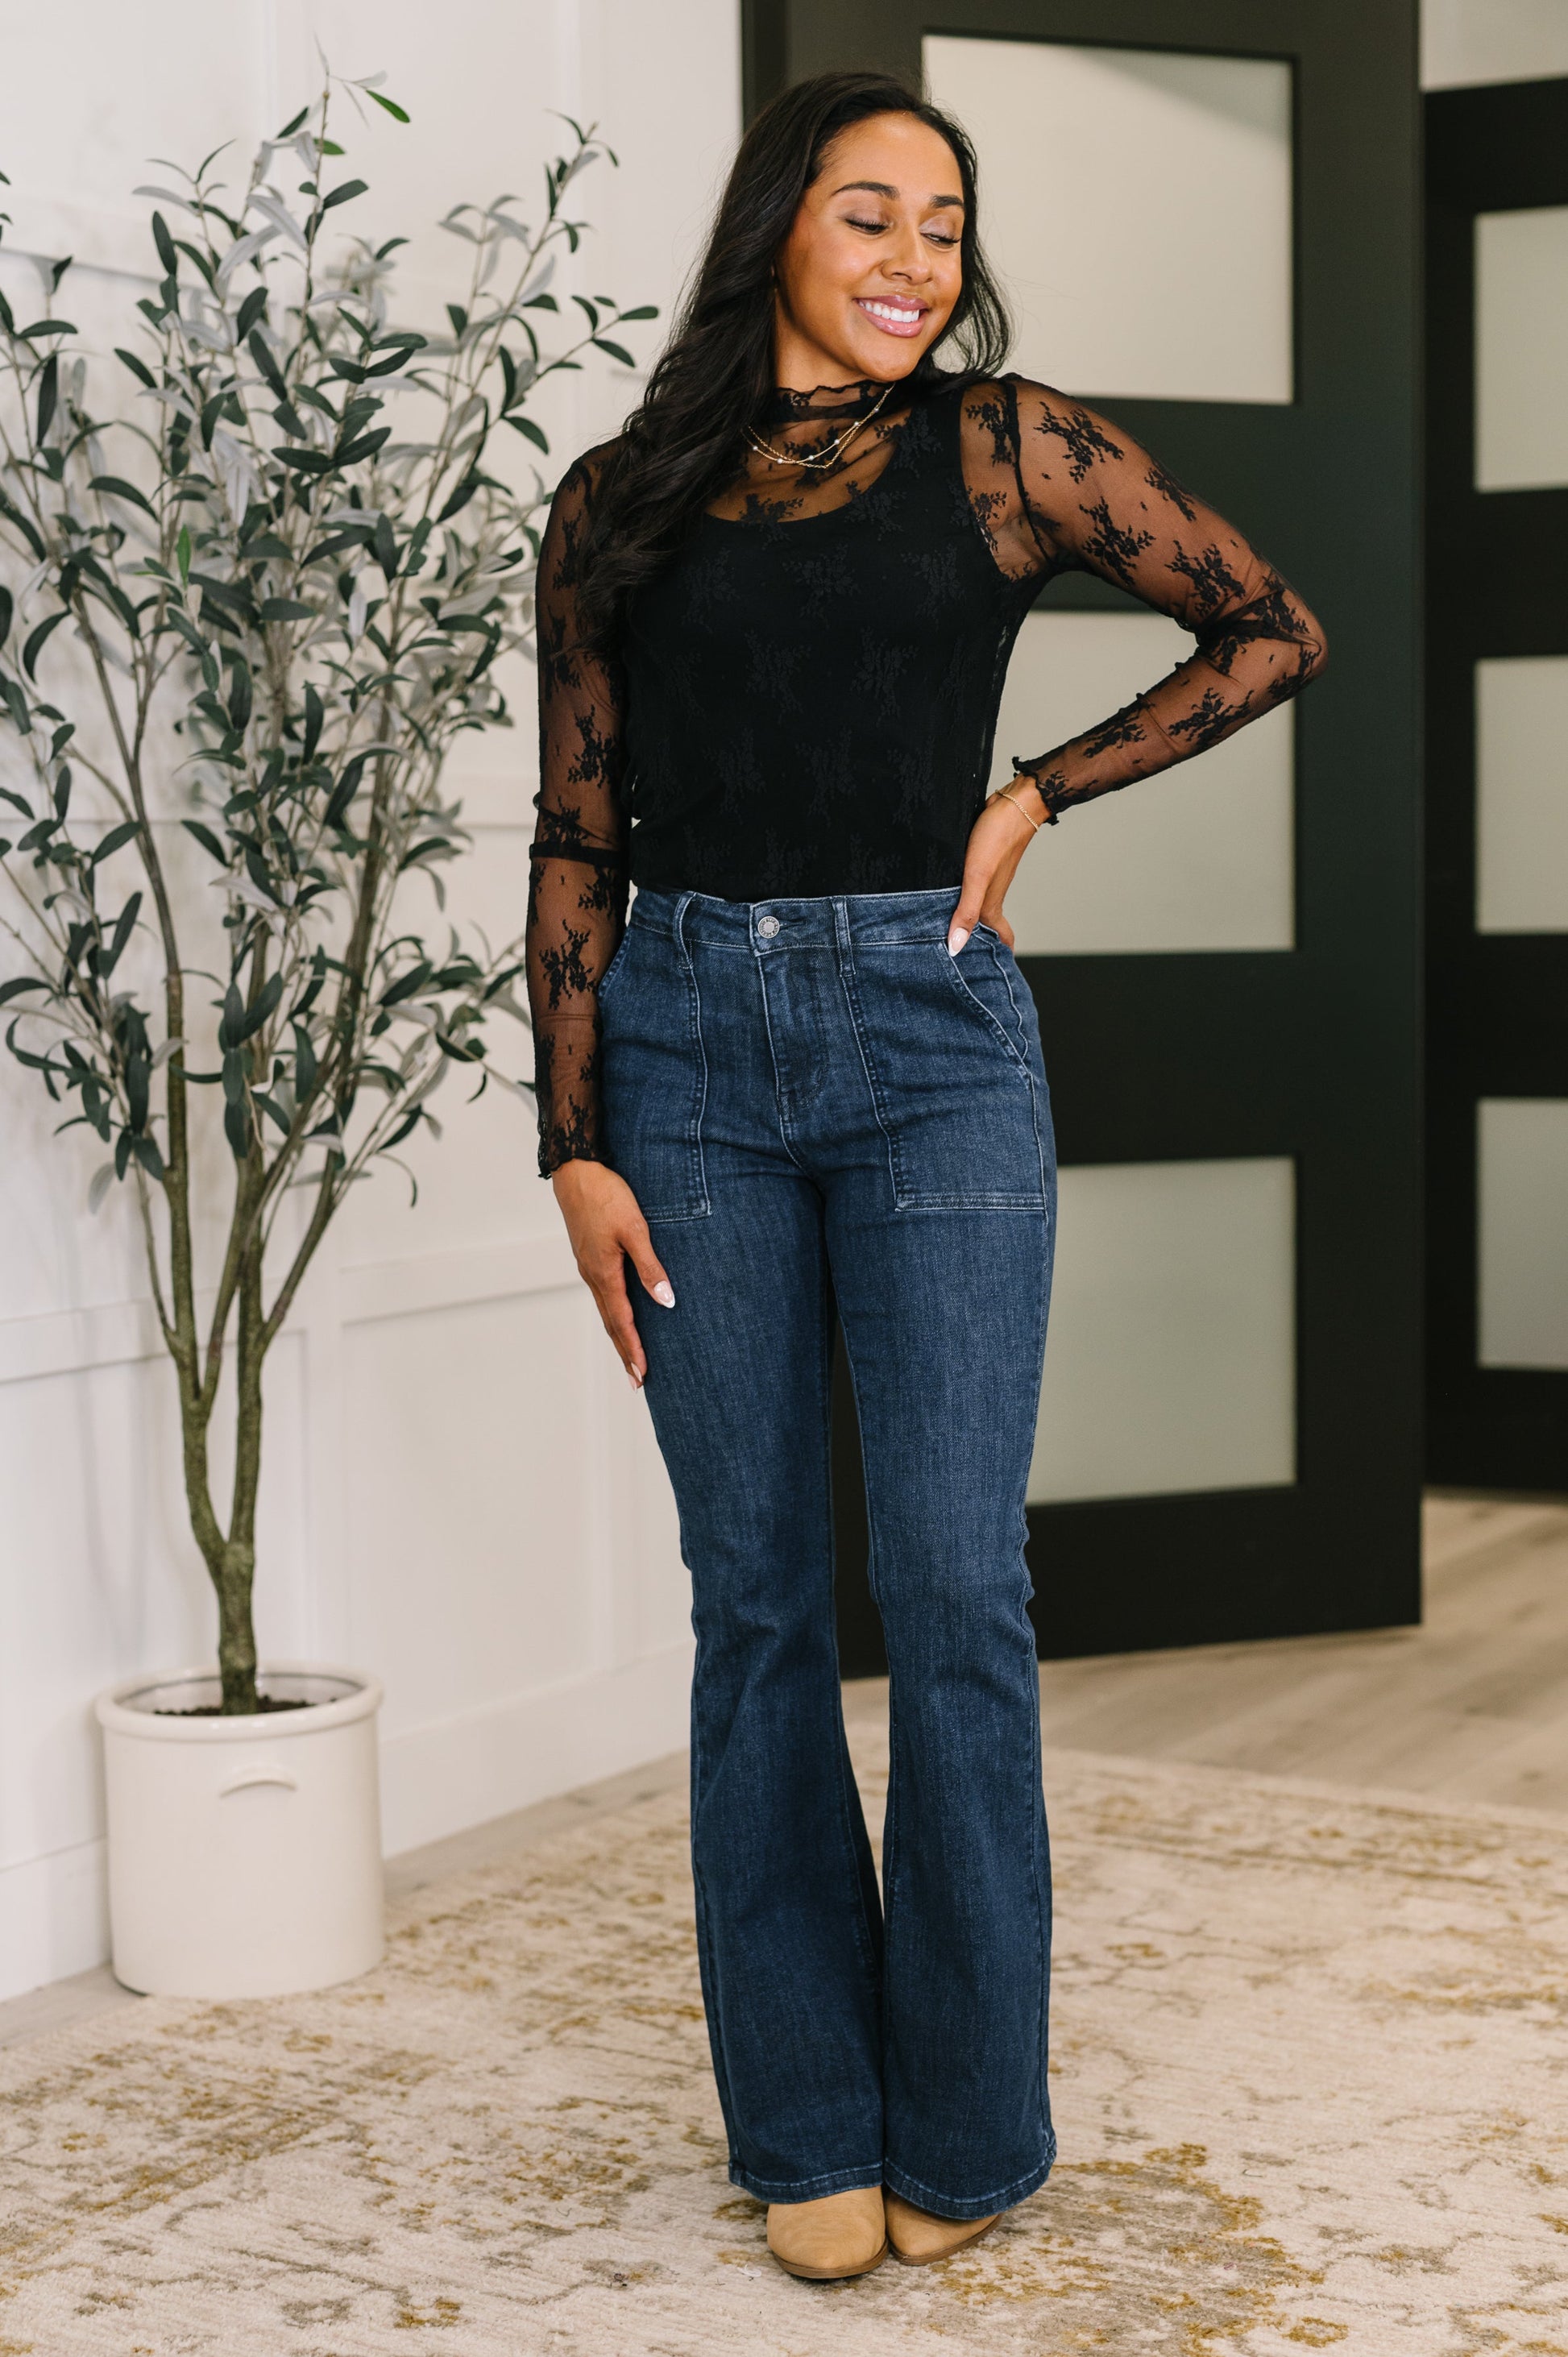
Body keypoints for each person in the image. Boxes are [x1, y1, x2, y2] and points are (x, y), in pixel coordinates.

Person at [525, 68, 1326, 2284]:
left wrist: (1036, 792)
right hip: (676, 1050)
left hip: (926, 1039)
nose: (909, 255)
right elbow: (575, 834)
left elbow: (1269, 625)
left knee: (959, 1600)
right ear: (776, 224)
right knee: (760, 1601)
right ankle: (804, 2122)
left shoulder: (1009, 443)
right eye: (865, 211)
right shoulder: (616, 502)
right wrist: (569, 1144)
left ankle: (966, 2124)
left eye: (942, 220)